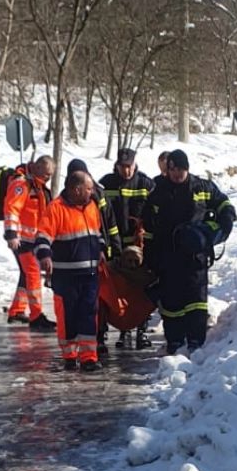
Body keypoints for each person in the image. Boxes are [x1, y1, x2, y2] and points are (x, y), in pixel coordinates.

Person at [143, 149, 236, 355]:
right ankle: (175, 342)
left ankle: (196, 342)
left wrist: (225, 221)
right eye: (174, 170)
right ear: (168, 170)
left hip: (196, 257)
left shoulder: (202, 187)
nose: (177, 174)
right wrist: (150, 259)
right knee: (171, 303)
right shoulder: (158, 192)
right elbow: (148, 228)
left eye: (181, 170)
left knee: (196, 301)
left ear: (188, 169)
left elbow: (223, 203)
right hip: (168, 257)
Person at [36, 171, 106, 372]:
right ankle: (69, 355)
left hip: (90, 273)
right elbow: (43, 236)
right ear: (76, 189)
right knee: (68, 316)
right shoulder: (56, 209)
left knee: (89, 314)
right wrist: (45, 256)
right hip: (66, 275)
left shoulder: (92, 206)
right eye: (89, 188)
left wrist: (100, 249)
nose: (92, 192)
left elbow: (96, 233)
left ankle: (89, 358)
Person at [99, 148, 156, 349]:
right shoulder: (106, 184)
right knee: (115, 291)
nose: (126, 171)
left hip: (139, 247)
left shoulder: (146, 184)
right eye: (122, 167)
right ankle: (120, 331)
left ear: (135, 164)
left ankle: (141, 330)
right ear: (116, 166)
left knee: (139, 291)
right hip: (115, 248)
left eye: (129, 166)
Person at [64, 158, 121, 357]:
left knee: (98, 301)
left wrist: (114, 249)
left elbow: (109, 222)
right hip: (78, 259)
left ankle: (99, 336)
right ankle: (89, 338)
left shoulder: (97, 193)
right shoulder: (65, 200)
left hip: (97, 256)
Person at [4, 155, 57, 330]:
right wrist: (12, 234)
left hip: (33, 240)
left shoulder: (37, 185)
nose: (49, 178)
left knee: (26, 274)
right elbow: (12, 208)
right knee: (33, 275)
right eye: (47, 174)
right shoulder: (22, 184)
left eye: (51, 175)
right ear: (37, 168)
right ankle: (36, 316)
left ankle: (17, 311)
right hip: (23, 241)